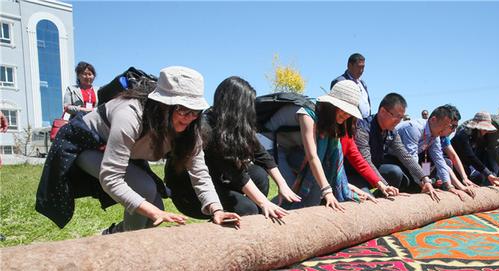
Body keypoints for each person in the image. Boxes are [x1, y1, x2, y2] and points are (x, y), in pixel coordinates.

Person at [36, 66, 239, 233]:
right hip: (86, 146)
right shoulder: (130, 115)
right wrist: (149, 211)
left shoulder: (191, 128)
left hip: (125, 153)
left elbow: (200, 173)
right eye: (182, 109)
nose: (188, 117)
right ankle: (126, 247)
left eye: (195, 111)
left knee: (156, 212)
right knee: (145, 189)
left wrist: (216, 210)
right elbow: (111, 177)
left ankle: (111, 236)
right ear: (162, 105)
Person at [165, 77, 300, 219]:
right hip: (190, 191)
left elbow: (262, 155)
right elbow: (235, 173)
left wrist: (282, 185)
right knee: (248, 209)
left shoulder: (235, 126)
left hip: (218, 179)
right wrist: (264, 202)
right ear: (236, 106)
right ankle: (235, 223)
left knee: (259, 175)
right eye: (248, 105)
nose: (251, 110)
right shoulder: (206, 128)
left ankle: (257, 219)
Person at [274, 79, 376, 210]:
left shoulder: (330, 124)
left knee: (313, 184)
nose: (346, 115)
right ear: (332, 105)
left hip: (296, 150)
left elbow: (331, 166)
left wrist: (349, 187)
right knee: (290, 192)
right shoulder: (308, 114)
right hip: (274, 148)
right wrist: (327, 190)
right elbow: (313, 156)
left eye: (349, 112)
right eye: (343, 109)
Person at [388, 105, 469, 200]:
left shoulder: (436, 134)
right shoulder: (414, 128)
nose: (444, 131)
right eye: (443, 127)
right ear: (433, 119)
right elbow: (411, 158)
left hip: (410, 162)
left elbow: (439, 159)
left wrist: (449, 186)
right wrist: (425, 182)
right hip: (391, 158)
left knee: (440, 164)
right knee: (399, 174)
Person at [348, 93, 409, 192]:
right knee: (366, 199)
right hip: (355, 172)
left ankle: (383, 197)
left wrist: (424, 179)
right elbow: (365, 161)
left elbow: (405, 156)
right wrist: (384, 185)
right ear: (382, 111)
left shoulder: (391, 131)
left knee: (395, 172)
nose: (398, 121)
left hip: (374, 170)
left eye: (401, 117)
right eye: (396, 116)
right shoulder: (362, 128)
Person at [451, 112, 499, 187]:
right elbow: (471, 156)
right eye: (484, 129)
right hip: (453, 165)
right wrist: (488, 174)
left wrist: (488, 174)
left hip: (465, 166)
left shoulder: (477, 137)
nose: (486, 131)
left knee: (479, 177)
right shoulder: (463, 135)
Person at [330, 53, 371, 118]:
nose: (361, 70)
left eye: (363, 67)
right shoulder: (340, 82)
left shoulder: (363, 84)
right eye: (358, 67)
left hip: (365, 124)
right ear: (349, 65)